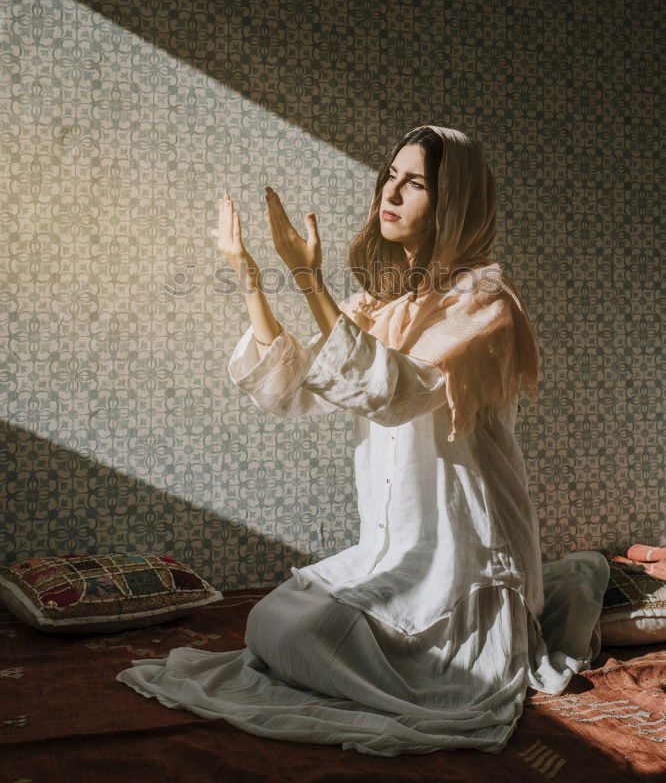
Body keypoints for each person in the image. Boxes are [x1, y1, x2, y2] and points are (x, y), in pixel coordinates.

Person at [116, 125, 609, 757]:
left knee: (312, 634)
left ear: (453, 201)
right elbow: (291, 389)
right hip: (393, 550)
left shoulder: (485, 304)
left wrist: (307, 277)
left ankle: (472, 643)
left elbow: (393, 391)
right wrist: (251, 277)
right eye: (390, 175)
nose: (391, 192)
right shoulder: (378, 306)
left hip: (466, 555)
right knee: (269, 621)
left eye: (417, 183)